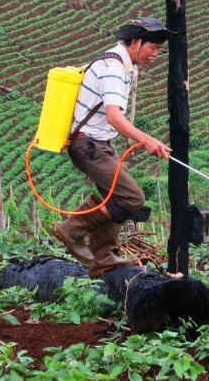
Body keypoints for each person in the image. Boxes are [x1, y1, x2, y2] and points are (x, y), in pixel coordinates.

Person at [50, 17, 172, 276]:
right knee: (132, 198)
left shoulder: (118, 62)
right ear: (136, 42)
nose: (155, 54)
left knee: (113, 197)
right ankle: (71, 230)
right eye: (153, 48)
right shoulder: (113, 69)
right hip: (90, 145)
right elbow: (114, 117)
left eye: (159, 50)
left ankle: (102, 257)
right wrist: (147, 140)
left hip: (99, 143)